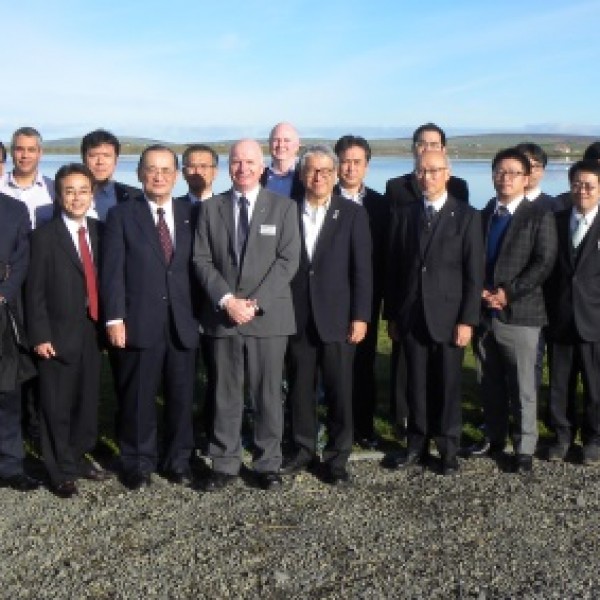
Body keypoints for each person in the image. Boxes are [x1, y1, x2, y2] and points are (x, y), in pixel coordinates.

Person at [193, 139, 300, 491]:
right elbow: (201, 259)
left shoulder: (283, 208)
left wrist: (254, 303)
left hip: (267, 317)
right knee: (225, 392)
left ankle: (267, 462)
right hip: (224, 316)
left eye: (250, 162)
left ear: (262, 166)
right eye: (237, 162)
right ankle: (224, 462)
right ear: (228, 167)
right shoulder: (211, 209)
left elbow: (288, 260)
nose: (243, 168)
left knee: (268, 394)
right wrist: (227, 300)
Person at [101, 144, 200, 490]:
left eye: (166, 170)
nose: (159, 176)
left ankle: (178, 460)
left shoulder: (191, 214)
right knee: (138, 398)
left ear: (176, 175)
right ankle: (137, 462)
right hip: (139, 321)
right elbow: (112, 272)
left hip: (183, 323)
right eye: (152, 169)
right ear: (140, 174)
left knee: (181, 397)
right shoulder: (121, 215)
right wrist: (114, 318)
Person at [383, 150, 483, 474]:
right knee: (415, 383)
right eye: (422, 171)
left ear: (447, 173)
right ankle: (416, 444)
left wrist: (467, 320)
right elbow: (394, 269)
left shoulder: (467, 216)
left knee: (447, 385)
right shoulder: (404, 214)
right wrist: (392, 316)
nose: (427, 177)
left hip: (449, 317)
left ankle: (447, 448)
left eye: (434, 171)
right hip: (411, 315)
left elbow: (474, 274)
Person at [283, 144, 372, 485]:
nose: (318, 176)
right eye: (311, 170)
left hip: (338, 317)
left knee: (339, 391)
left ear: (335, 175)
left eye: (325, 170)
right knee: (300, 389)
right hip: (297, 316)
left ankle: (337, 458)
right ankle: (302, 450)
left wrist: (360, 316)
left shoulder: (352, 214)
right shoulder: (287, 210)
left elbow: (362, 270)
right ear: (302, 174)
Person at [26, 164, 108, 498]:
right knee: (56, 406)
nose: (77, 198)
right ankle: (59, 470)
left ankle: (77, 456)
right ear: (59, 196)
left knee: (86, 402)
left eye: (83, 191)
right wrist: (40, 334)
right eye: (69, 191)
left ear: (92, 195)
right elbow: (34, 291)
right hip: (57, 333)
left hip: (92, 330)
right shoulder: (44, 237)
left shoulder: (100, 231)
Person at [475, 147, 557, 473]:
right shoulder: (484, 214)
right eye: (500, 171)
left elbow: (543, 262)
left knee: (523, 385)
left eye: (513, 173)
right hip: (484, 312)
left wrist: (507, 293)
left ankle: (524, 448)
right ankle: (494, 437)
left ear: (526, 178)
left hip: (521, 313)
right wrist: (480, 290)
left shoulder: (540, 215)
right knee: (489, 382)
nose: (505, 178)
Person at [333, 134, 388, 449]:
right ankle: (334, 424)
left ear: (367, 165)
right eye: (345, 161)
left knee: (363, 362)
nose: (350, 168)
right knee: (331, 363)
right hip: (329, 294)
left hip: (368, 294)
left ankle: (363, 427)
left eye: (357, 162)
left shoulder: (380, 205)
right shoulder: (320, 198)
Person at [544, 160, 600, 465]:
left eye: (589, 185)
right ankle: (562, 435)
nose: (582, 191)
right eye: (577, 184)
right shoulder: (556, 220)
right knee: (560, 383)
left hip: (595, 319)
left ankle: (594, 438)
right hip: (561, 316)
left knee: (596, 385)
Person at [178, 143, 220, 452]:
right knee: (184, 375)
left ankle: (213, 429)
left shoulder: (227, 207)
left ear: (215, 172)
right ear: (182, 172)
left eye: (204, 166)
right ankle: (183, 433)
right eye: (191, 166)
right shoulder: (174, 208)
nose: (198, 171)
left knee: (219, 373)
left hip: (218, 304)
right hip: (183, 303)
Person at [0, 127, 55, 228]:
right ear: (11, 152)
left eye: (31, 150)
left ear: (40, 153)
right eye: (19, 149)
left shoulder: (53, 189)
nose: (25, 155)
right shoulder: (1, 185)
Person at [81, 129, 141, 221]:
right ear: (83, 159)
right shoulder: (66, 197)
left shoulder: (135, 197)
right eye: (93, 156)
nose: (100, 162)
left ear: (116, 160)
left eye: (106, 155)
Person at [259, 122, 304, 201]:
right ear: (269, 143)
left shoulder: (306, 176)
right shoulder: (258, 177)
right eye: (276, 140)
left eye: (286, 140)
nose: (281, 145)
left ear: (297, 145)